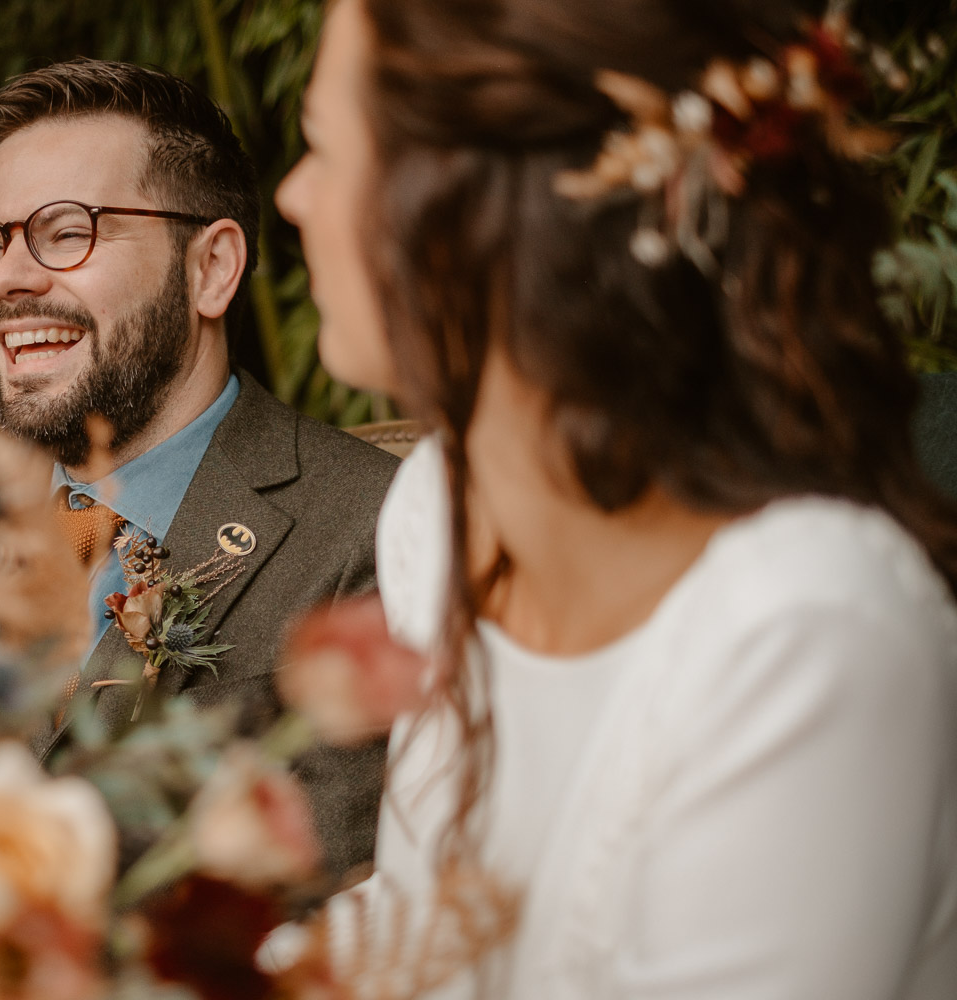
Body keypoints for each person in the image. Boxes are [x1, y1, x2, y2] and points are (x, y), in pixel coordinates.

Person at [270, 0, 957, 996]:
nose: (291, 195)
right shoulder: (439, 506)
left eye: (321, 149)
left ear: (471, 207)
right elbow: (427, 920)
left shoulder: (807, 638)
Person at [0, 58, 400, 876]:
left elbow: (328, 893)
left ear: (211, 267)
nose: (3, 279)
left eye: (66, 231)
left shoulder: (372, 530)